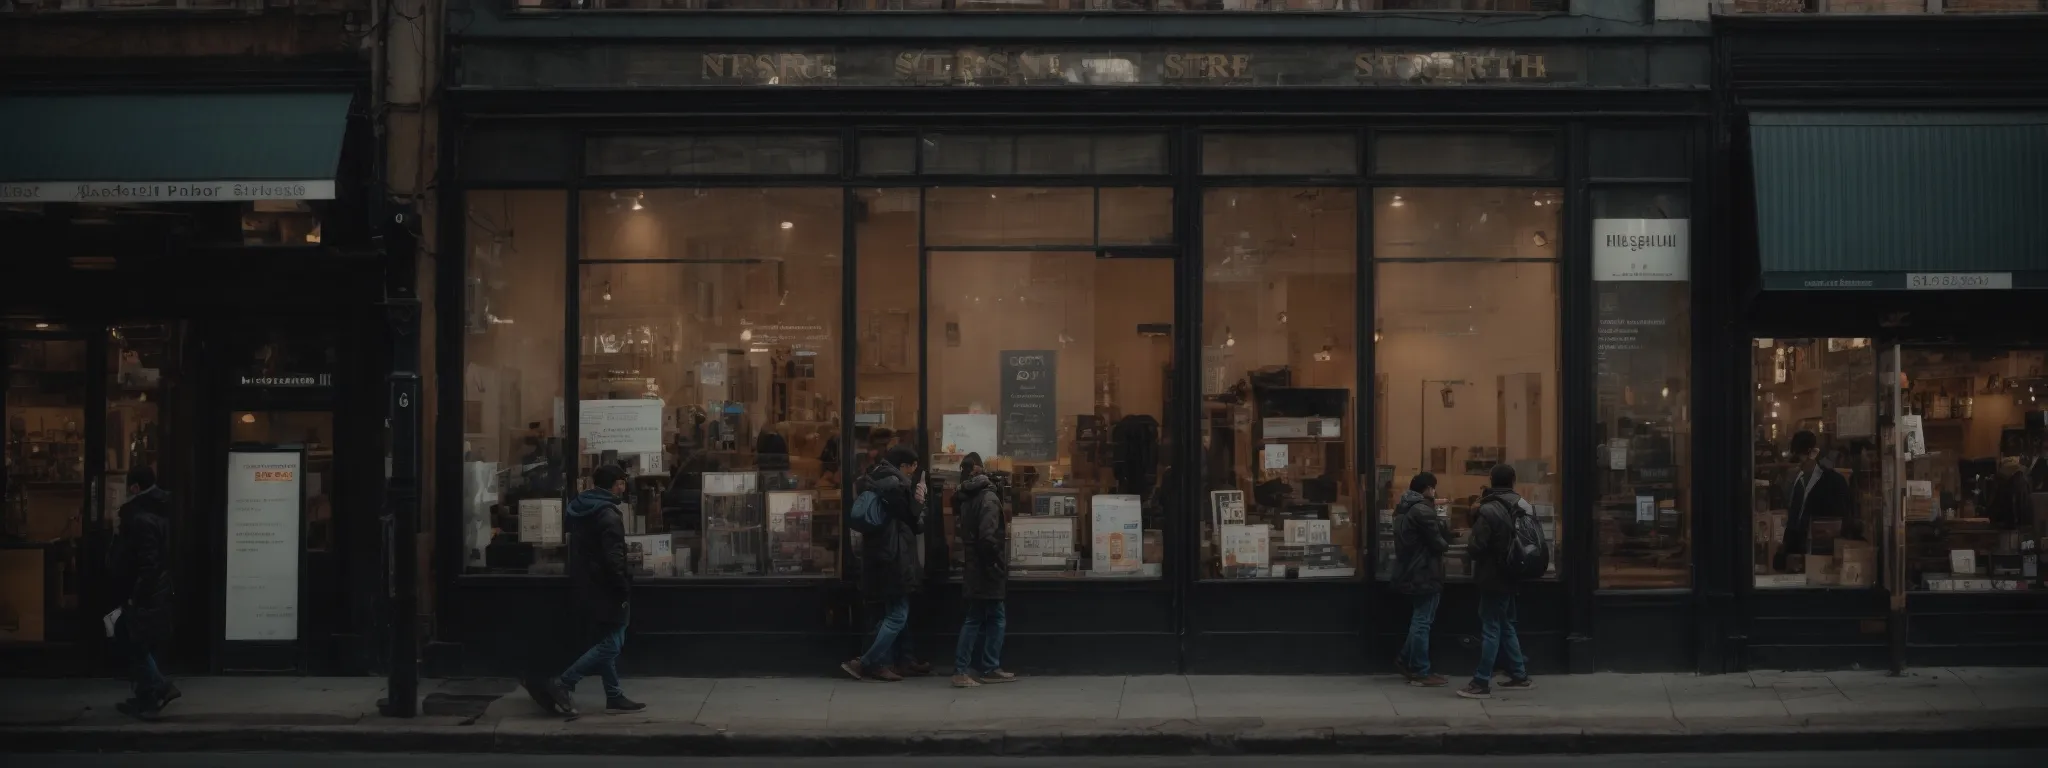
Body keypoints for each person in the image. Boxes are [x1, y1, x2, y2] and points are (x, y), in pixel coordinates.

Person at [538, 463, 644, 716]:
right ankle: (564, 682)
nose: (623, 487)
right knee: (613, 643)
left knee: (606, 639)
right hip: (607, 586)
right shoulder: (608, 514)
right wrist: (622, 587)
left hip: (586, 583)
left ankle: (614, 695)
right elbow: (613, 557)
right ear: (612, 484)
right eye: (620, 482)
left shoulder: (580, 508)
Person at [841, 444, 927, 682]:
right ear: (902, 466)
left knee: (895, 613)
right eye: (912, 468)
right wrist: (921, 498)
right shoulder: (895, 485)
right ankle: (867, 662)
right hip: (893, 558)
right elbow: (913, 519)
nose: (913, 472)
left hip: (882, 556)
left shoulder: (876, 481)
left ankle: (902, 660)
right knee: (898, 615)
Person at [1458, 463, 1536, 700]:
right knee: (1506, 624)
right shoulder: (1524, 505)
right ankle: (1519, 675)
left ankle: (1481, 681)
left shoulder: (1489, 509)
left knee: (1491, 627)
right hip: (1514, 573)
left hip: (1493, 577)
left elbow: (1476, 547)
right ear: (1513, 480)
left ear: (1491, 480)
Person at [110, 467, 177, 720]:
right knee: (138, 639)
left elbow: (147, 563)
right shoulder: (156, 510)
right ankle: (145, 694)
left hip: (144, 591)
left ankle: (159, 687)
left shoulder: (140, 517)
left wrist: (134, 593)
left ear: (135, 488)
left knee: (133, 640)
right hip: (154, 589)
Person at [951, 453, 1015, 688]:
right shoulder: (988, 498)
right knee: (988, 617)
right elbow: (988, 538)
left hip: (973, 565)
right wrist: (996, 564)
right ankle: (977, 668)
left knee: (979, 616)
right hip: (986, 568)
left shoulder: (966, 497)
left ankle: (982, 667)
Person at [1391, 471, 1450, 687]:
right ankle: (1420, 671)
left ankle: (1405, 660)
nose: (1434, 491)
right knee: (1422, 622)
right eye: (1433, 487)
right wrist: (1443, 523)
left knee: (1419, 619)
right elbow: (1440, 543)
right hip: (1425, 571)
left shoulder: (1402, 508)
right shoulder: (1423, 510)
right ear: (1427, 489)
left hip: (1409, 570)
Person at [1775, 430, 1856, 573]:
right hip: (1800, 550)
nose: (1800, 464)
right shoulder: (1797, 481)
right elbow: (1794, 517)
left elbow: (1842, 517)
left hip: (1823, 550)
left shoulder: (1832, 481)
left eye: (1802, 458)